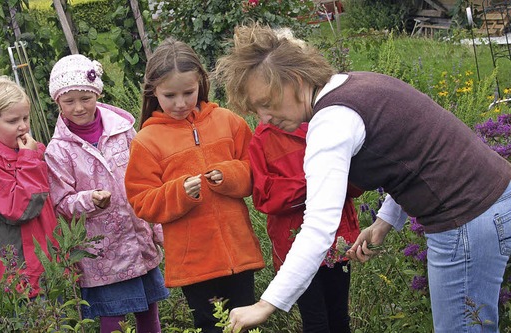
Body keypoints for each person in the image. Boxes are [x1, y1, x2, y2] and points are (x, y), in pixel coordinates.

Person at [214, 23, 511, 333]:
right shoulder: (355, 85)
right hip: (491, 199)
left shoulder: (331, 122)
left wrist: (266, 304)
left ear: (295, 81)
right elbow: (411, 157)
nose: (265, 118)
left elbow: (318, 228)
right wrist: (384, 222)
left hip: (466, 218)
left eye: (266, 103)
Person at [124, 38, 265, 333]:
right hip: (194, 264)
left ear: (201, 81)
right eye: (169, 95)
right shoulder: (147, 142)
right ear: (153, 92)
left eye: (188, 92)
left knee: (247, 325)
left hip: (239, 254)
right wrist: (178, 192)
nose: (180, 103)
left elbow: (255, 171)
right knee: (210, 326)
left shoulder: (228, 122)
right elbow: (141, 201)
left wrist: (228, 175)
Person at [44, 54, 168, 333]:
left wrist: (158, 228)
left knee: (149, 310)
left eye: (85, 98)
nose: (78, 107)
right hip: (103, 254)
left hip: (138, 242)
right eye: (69, 101)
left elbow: (147, 180)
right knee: (114, 318)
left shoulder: (123, 130)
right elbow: (61, 202)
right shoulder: (59, 150)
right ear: (57, 102)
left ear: (97, 94)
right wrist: (89, 200)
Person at [249, 121, 361, 333]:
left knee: (339, 317)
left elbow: (356, 181)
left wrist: (338, 177)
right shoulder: (265, 137)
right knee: (315, 321)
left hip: (336, 238)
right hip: (294, 244)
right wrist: (317, 182)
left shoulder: (326, 120)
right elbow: (265, 195)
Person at [0, 76, 57, 299]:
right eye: (13, 121)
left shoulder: (20, 152)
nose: (23, 126)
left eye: (25, 118)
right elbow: (21, 209)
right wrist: (30, 161)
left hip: (43, 268)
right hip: (18, 278)